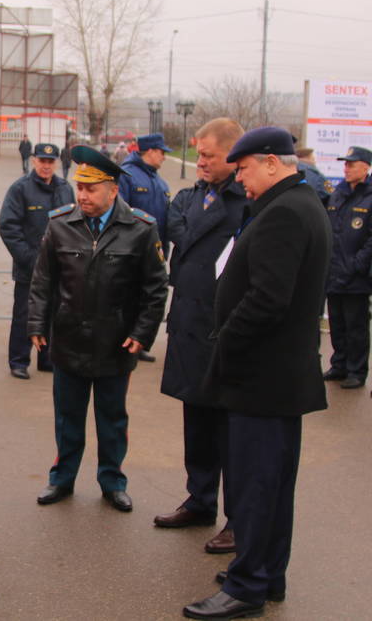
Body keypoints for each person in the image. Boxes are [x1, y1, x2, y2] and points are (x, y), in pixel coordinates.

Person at [183, 126, 331, 620]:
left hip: (262, 379)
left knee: (254, 485)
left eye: (243, 168)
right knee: (269, 485)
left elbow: (268, 299)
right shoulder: (296, 204)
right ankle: (266, 573)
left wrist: (225, 341)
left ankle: (248, 586)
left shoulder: (286, 212)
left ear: (271, 162)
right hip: (275, 378)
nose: (239, 178)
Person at [27, 145, 168, 510]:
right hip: (69, 338)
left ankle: (112, 481)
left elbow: (155, 290)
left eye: (91, 189)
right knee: (67, 418)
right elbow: (43, 281)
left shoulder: (140, 229)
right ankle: (62, 479)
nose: (83, 196)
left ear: (113, 189)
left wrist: (141, 334)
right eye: (80, 188)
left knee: (112, 420)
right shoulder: (60, 224)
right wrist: (37, 324)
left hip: (115, 342)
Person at [154, 119, 246, 558]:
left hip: (223, 328)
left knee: (231, 430)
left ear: (232, 154)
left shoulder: (246, 203)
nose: (200, 161)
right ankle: (200, 499)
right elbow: (176, 228)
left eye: (208, 155)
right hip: (190, 322)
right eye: (199, 154)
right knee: (198, 423)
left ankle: (238, 518)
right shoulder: (193, 195)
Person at [0, 143, 74, 380]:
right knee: (25, 315)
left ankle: (47, 358)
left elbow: (74, 223)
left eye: (50, 162)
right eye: (42, 161)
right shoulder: (20, 189)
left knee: (54, 314)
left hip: (59, 267)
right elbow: (8, 227)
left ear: (57, 163)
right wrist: (30, 259)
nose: (46, 166)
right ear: (33, 161)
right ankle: (19, 361)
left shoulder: (65, 189)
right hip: (29, 267)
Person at [118, 132, 172, 362]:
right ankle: (123, 341)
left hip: (155, 251)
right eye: (162, 152)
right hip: (132, 250)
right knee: (127, 299)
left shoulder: (160, 182)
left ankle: (140, 341)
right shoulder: (127, 175)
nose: (164, 157)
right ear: (149, 151)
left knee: (147, 297)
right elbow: (121, 212)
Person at [323, 146, 372, 390]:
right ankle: (339, 364)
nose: (347, 168)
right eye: (345, 164)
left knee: (356, 327)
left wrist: (357, 265)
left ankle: (356, 370)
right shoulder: (338, 194)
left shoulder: (369, 195)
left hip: (356, 276)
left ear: (366, 167)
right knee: (337, 323)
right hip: (333, 272)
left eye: (352, 164)